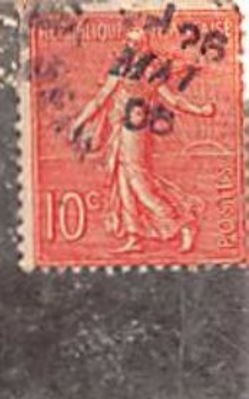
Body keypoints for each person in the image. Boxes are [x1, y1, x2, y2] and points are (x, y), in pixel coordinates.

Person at [71, 26, 215, 255]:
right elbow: (100, 99)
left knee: (139, 183)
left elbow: (171, 99)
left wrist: (200, 110)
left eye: (133, 42)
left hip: (135, 131)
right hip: (120, 128)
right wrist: (78, 123)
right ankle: (134, 235)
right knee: (124, 182)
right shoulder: (122, 66)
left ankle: (183, 223)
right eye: (127, 42)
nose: (128, 46)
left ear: (142, 46)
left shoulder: (152, 68)